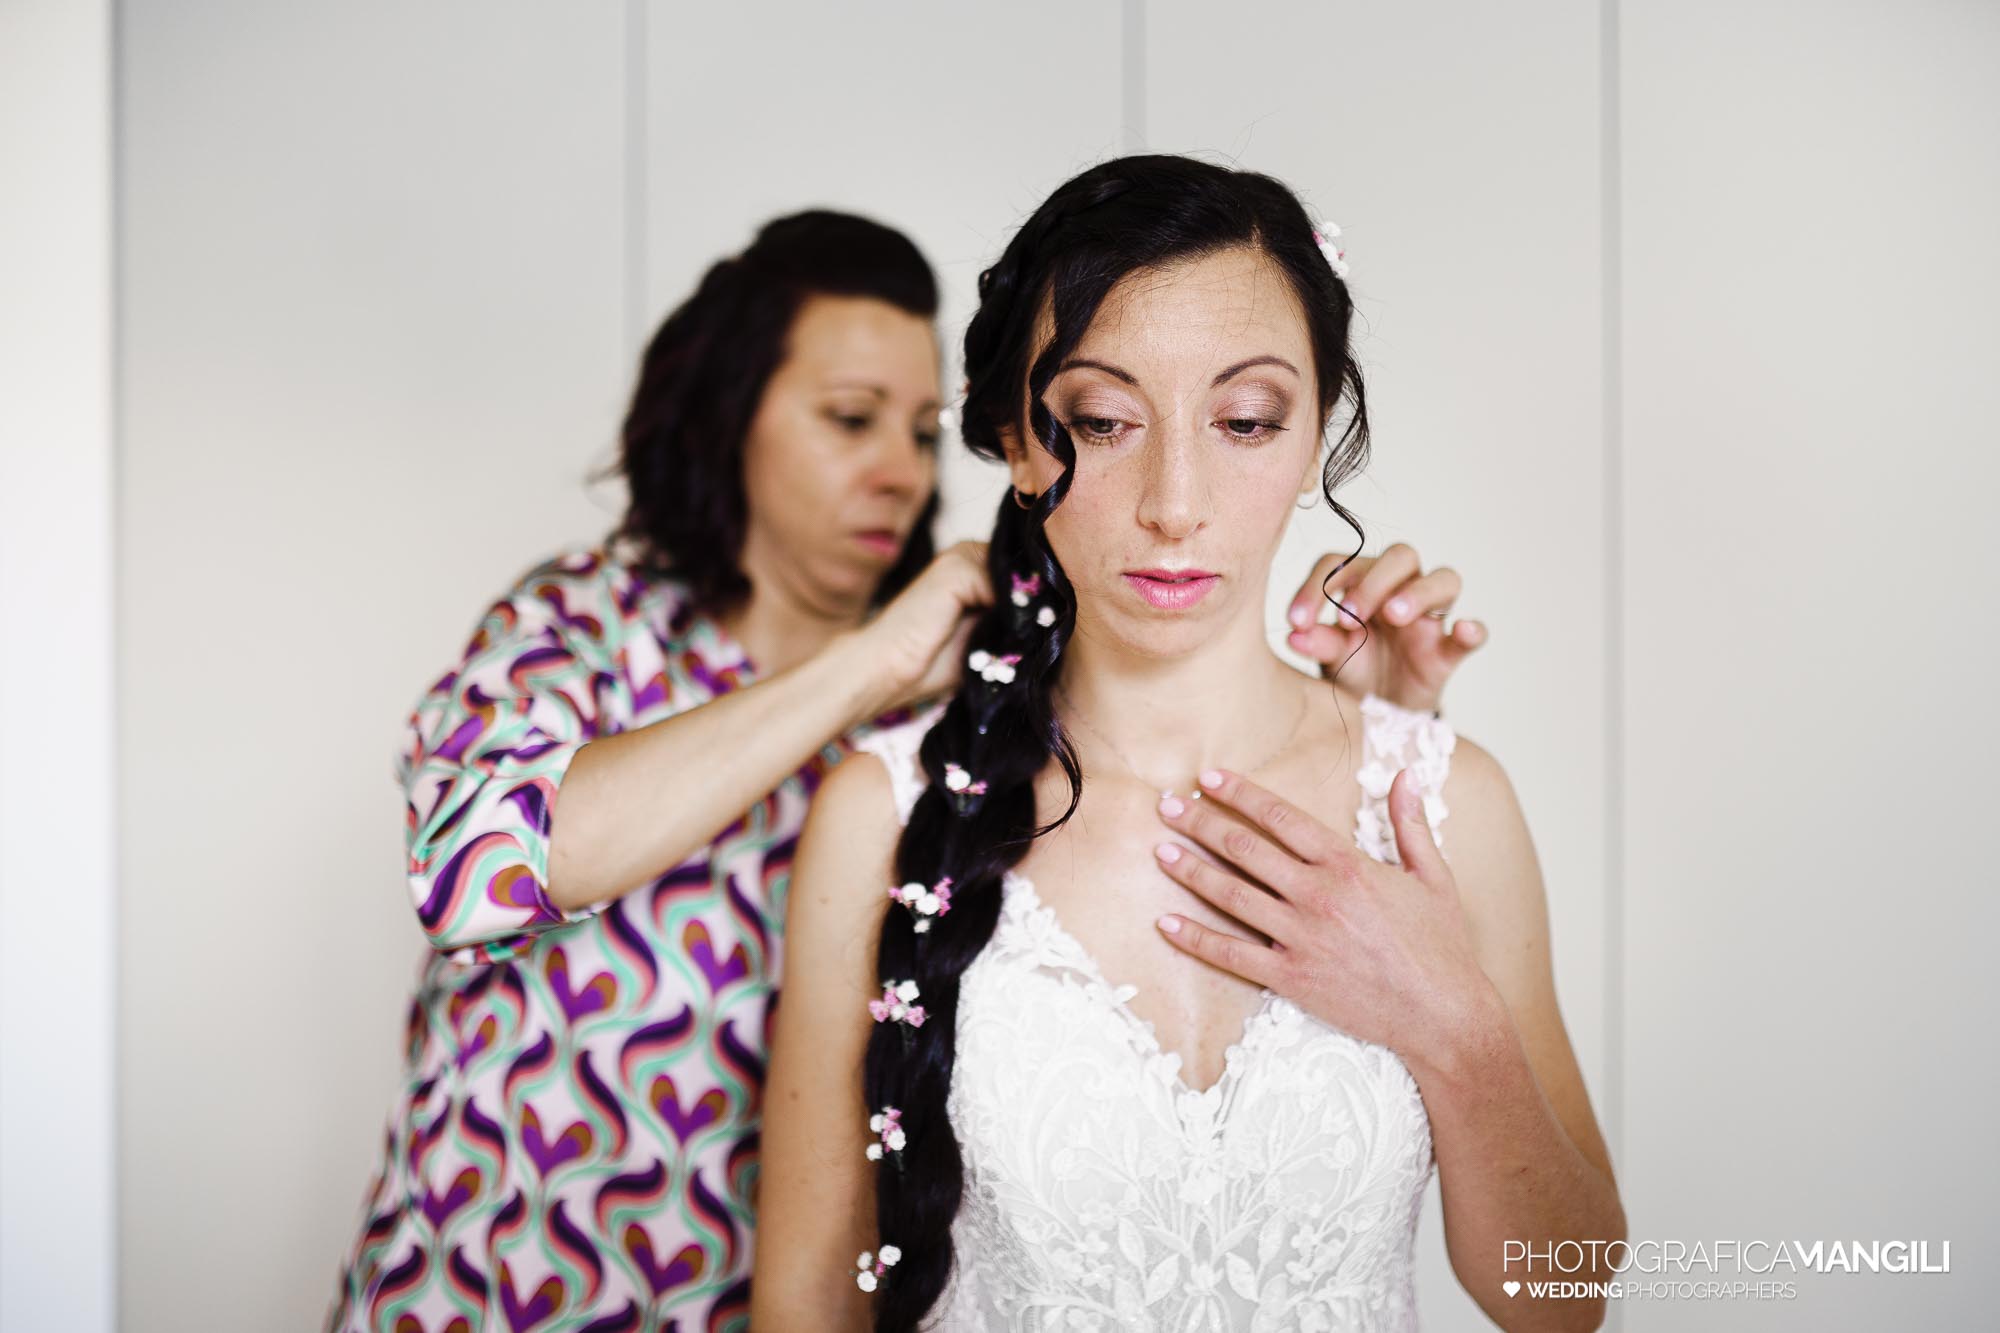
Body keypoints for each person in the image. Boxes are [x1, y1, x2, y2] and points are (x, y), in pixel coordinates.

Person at [327, 208, 1487, 1332]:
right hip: (494, 1289)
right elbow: (470, 869)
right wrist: (863, 666)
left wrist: (1375, 732)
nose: (894, 468)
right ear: (725, 415)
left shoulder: (962, 699)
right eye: (848, 419)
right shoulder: (588, 625)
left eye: (918, 430)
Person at [751, 156, 1622, 1333]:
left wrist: (1451, 1022)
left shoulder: (1443, 801)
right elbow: (807, 1306)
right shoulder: (882, 814)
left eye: (1244, 421)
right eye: (1103, 423)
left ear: (1316, 437)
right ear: (1017, 443)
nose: (1174, 499)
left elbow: (1564, 1305)